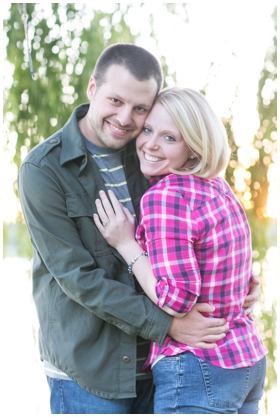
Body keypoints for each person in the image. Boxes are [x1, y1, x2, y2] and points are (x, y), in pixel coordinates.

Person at [18, 43, 257, 414]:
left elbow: (201, 229)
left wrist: (237, 282)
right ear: (92, 89)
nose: (126, 119)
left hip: (162, 366)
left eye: (140, 109)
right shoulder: (44, 170)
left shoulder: (151, 149)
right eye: (115, 100)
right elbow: (78, 278)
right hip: (91, 372)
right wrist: (169, 325)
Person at [93, 87, 267, 413]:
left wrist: (126, 243)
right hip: (246, 358)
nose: (150, 144)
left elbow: (177, 299)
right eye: (147, 130)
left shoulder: (166, 197)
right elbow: (228, 264)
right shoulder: (218, 186)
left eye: (169, 138)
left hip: (199, 368)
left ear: (194, 147)